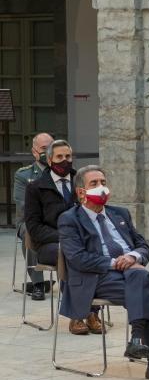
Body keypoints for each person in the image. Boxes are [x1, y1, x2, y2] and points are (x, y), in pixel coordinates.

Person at [58, 165, 149, 380]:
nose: (101, 187)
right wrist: (116, 263)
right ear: (81, 192)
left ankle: (138, 340)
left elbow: (144, 247)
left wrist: (132, 257)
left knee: (140, 279)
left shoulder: (119, 213)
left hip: (130, 273)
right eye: (94, 184)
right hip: (96, 277)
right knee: (143, 290)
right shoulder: (69, 219)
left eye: (103, 182)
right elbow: (77, 259)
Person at [24, 139, 96, 335]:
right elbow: (34, 227)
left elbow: (96, 216)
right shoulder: (36, 188)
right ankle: (79, 314)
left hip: (81, 241)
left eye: (68, 157)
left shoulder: (82, 182)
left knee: (94, 251)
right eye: (59, 157)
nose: (65, 161)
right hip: (50, 245)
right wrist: (65, 237)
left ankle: (92, 310)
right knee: (69, 253)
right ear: (49, 160)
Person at [13, 132, 53, 301]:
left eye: (50, 148)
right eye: (44, 148)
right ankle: (38, 284)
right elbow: (24, 205)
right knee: (31, 232)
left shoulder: (62, 173)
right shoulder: (23, 175)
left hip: (55, 222)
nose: (47, 152)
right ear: (34, 152)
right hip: (30, 221)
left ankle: (71, 282)